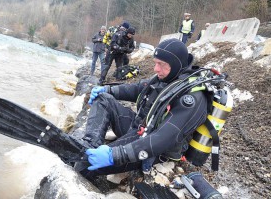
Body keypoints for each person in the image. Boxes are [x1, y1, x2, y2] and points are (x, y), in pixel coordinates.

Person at [74, 38, 208, 180]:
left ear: (175, 65)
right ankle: (88, 145)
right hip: (140, 127)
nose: (156, 69)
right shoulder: (167, 77)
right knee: (103, 98)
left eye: (161, 64)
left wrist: (115, 155)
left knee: (84, 166)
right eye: (155, 63)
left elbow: (164, 138)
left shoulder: (192, 98)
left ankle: (87, 157)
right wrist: (108, 89)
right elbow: (139, 89)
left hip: (154, 148)